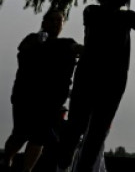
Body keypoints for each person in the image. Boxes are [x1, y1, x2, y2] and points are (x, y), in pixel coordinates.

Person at [57, 0, 135, 172]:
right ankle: (63, 165)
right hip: (92, 77)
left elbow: (132, 17)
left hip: (111, 81)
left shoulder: (120, 16)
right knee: (77, 126)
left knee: (97, 131)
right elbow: (127, 17)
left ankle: (81, 168)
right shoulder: (94, 12)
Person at [3, 10, 82, 172]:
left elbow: (77, 49)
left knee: (38, 138)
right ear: (44, 22)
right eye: (51, 20)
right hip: (25, 98)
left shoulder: (67, 44)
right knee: (20, 134)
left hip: (50, 102)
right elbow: (24, 50)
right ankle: (6, 159)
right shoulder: (32, 40)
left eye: (59, 21)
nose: (55, 24)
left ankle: (27, 169)